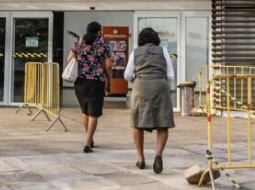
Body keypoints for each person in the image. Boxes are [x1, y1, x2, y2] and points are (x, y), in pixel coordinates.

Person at [124, 27, 175, 174]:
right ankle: (158, 155)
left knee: (138, 123)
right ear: (156, 39)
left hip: (141, 85)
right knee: (163, 122)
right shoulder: (163, 51)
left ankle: (141, 159)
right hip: (160, 85)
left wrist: (138, 80)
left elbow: (127, 75)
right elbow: (170, 75)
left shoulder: (135, 52)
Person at [67, 21, 113, 153]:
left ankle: (90, 138)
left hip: (80, 82)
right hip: (96, 81)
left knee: (85, 111)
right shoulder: (103, 44)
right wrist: (109, 83)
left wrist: (81, 59)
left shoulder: (79, 42)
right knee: (94, 113)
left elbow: (69, 59)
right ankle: (87, 143)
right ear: (98, 31)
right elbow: (108, 66)